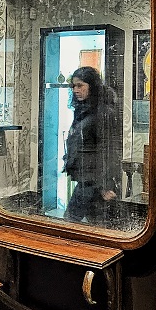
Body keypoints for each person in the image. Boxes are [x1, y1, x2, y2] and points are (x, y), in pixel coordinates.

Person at [63, 66, 122, 225]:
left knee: (70, 221)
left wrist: (108, 184)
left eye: (80, 85)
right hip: (87, 178)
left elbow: (110, 149)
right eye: (73, 86)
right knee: (94, 224)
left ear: (92, 86)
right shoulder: (84, 110)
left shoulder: (103, 112)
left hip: (94, 181)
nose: (75, 90)